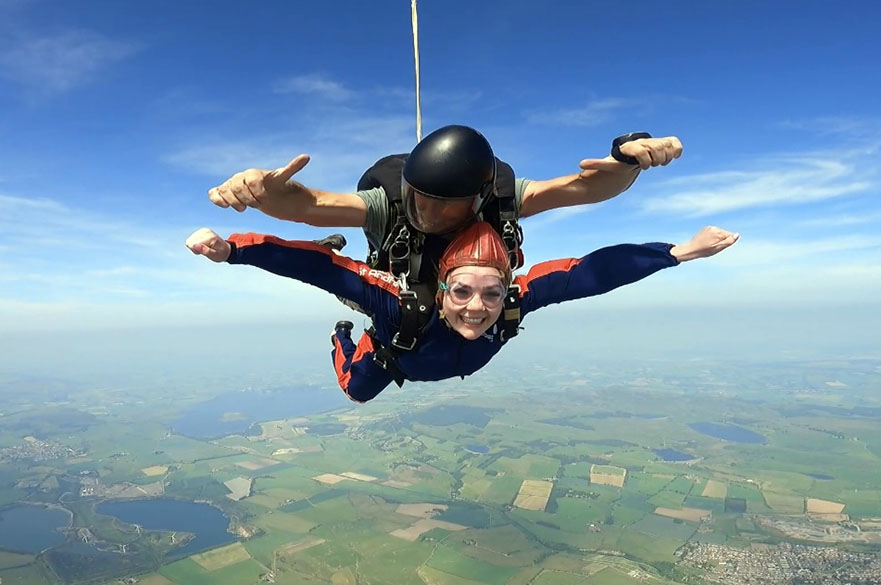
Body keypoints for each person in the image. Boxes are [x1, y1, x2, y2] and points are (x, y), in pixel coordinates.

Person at [185, 222, 738, 403]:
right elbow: (318, 271)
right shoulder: (401, 302)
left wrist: (678, 253)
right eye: (463, 293)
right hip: (392, 356)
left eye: (491, 294)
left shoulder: (517, 302)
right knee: (354, 391)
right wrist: (234, 250)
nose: (478, 309)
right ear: (442, 289)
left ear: (506, 291)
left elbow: (590, 275)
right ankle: (341, 333)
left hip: (439, 362)